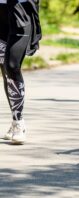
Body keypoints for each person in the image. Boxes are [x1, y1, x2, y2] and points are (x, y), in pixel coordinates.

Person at [0, 0, 41, 144]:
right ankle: (14, 120)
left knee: (12, 65)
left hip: (20, 13)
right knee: (5, 69)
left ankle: (19, 122)